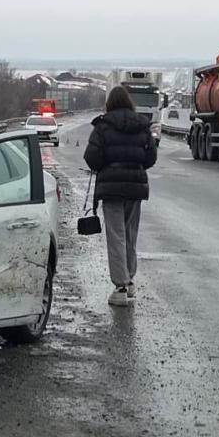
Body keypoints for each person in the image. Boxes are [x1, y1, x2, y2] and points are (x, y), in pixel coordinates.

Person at [84, 86, 157, 307]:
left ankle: (121, 287)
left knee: (116, 236)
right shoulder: (142, 125)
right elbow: (150, 157)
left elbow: (92, 157)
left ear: (110, 103)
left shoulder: (103, 126)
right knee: (130, 233)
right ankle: (130, 279)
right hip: (135, 187)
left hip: (112, 187)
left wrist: (106, 165)